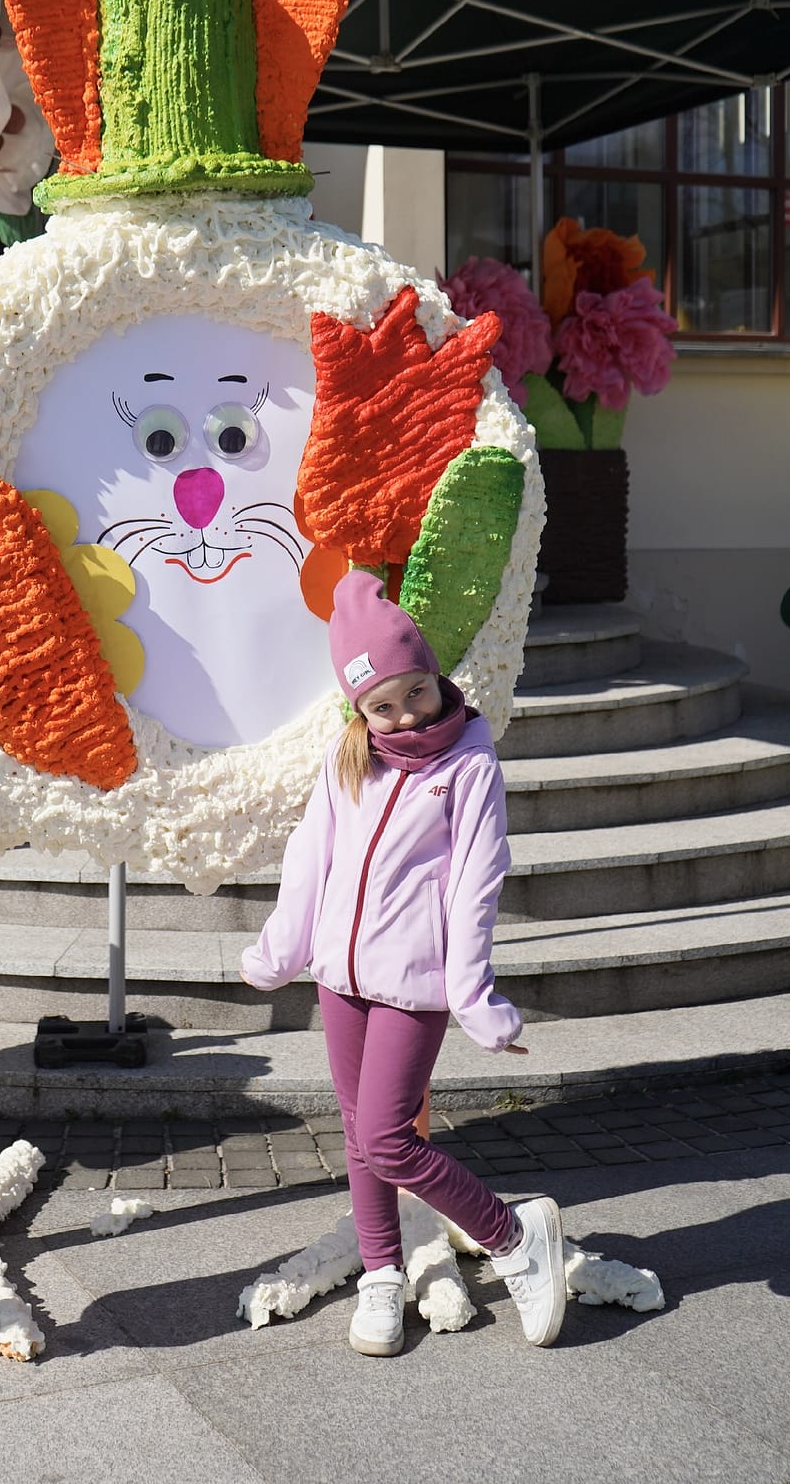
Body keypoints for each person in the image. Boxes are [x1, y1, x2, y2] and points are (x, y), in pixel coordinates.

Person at [240, 569, 566, 1356]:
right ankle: (381, 1273)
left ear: (433, 677)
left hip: (413, 982)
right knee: (358, 1135)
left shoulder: (468, 765)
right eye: (380, 705)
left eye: (413, 693)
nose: (402, 714)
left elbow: (474, 882)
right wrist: (284, 947)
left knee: (388, 1138)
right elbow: (308, 855)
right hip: (339, 976)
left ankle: (514, 1238)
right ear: (358, 708)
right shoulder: (349, 757)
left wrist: (473, 993)